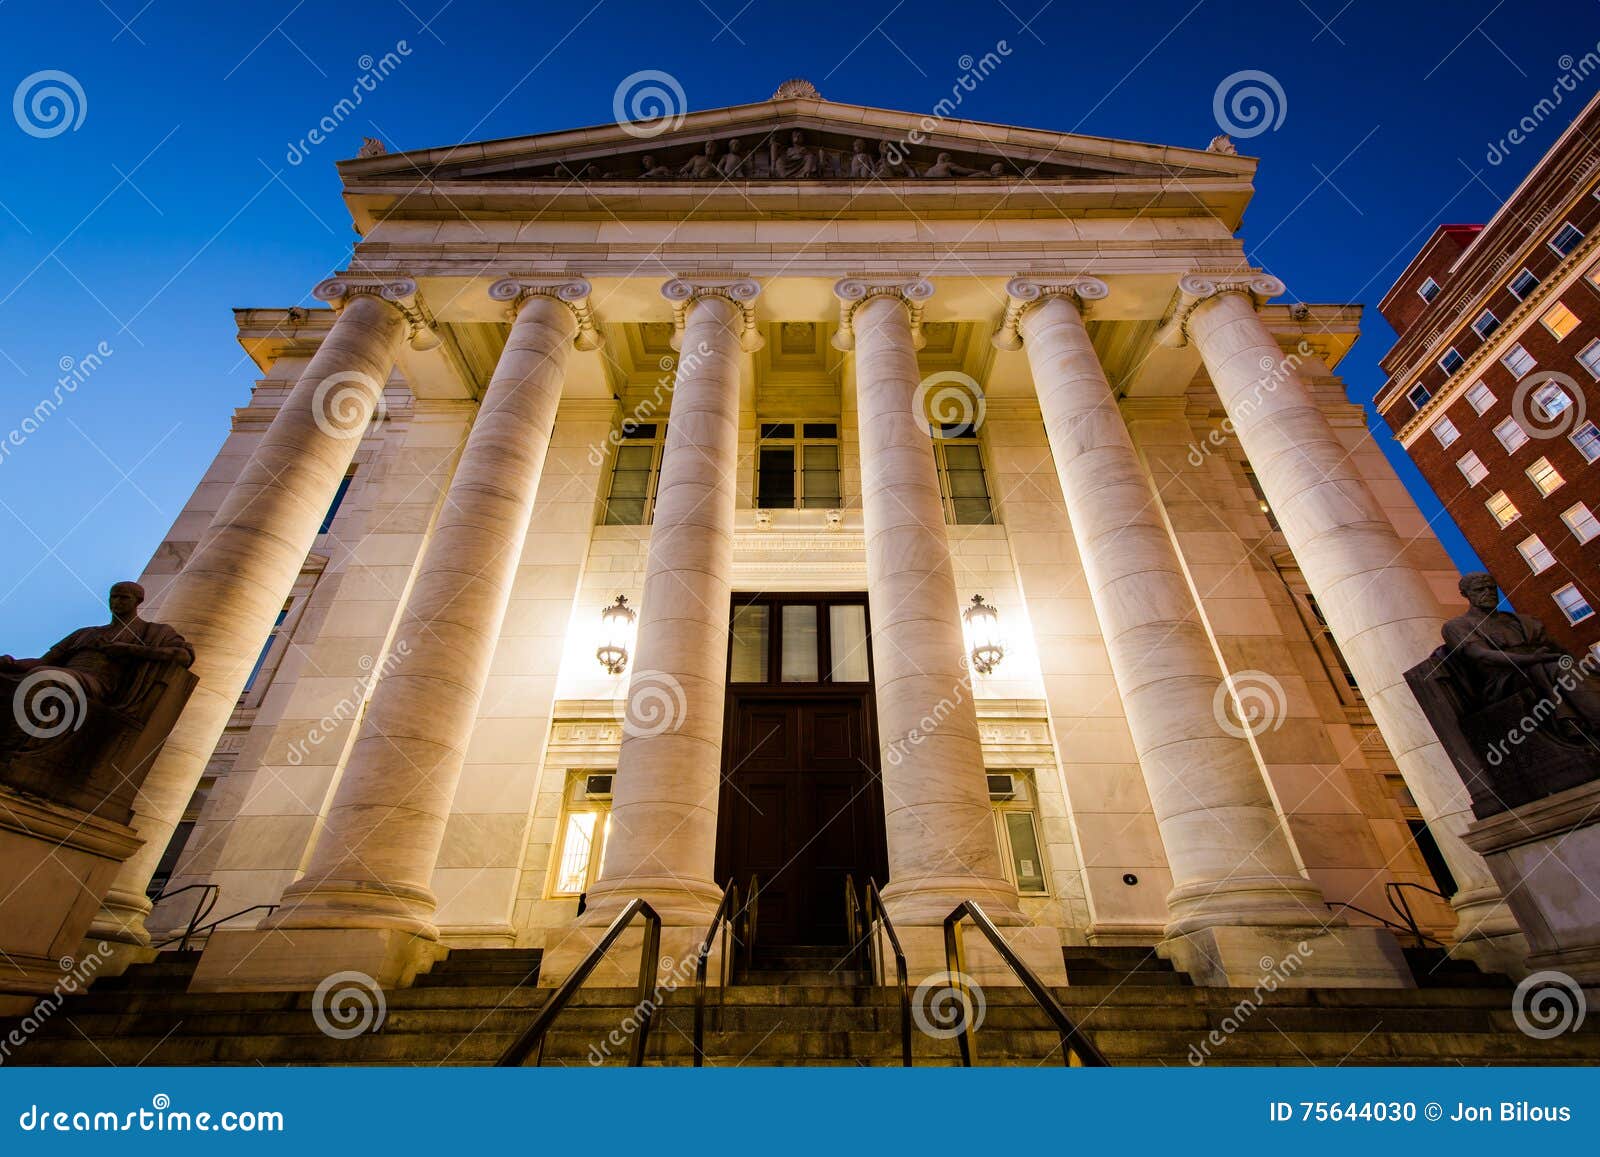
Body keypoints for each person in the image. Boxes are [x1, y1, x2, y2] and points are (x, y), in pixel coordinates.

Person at [1, 581, 194, 741]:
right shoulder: (86, 632)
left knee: (45, 677)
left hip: (99, 683)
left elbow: (183, 656)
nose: (117, 602)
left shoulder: (151, 632)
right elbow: (43, 661)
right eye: (114, 597)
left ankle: (16, 740)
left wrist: (127, 649)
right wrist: (12, 663)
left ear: (138, 601)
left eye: (124, 598)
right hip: (62, 674)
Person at [1441, 571, 1600, 730]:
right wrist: (1532, 659)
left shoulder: (1524, 621)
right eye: (1479, 589)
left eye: (1491, 588)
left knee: (1582, 668)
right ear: (1465, 594)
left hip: (1543, 666)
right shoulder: (1457, 626)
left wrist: (1583, 666)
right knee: (1558, 668)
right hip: (1504, 680)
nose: (1488, 593)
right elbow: (1482, 655)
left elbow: (1560, 651)